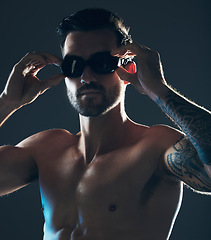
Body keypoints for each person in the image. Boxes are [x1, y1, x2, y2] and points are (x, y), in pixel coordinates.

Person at [0, 8, 210, 240]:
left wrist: (158, 89)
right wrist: (7, 102)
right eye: (75, 65)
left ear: (128, 68)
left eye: (101, 63)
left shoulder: (156, 148)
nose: (87, 77)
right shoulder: (46, 149)